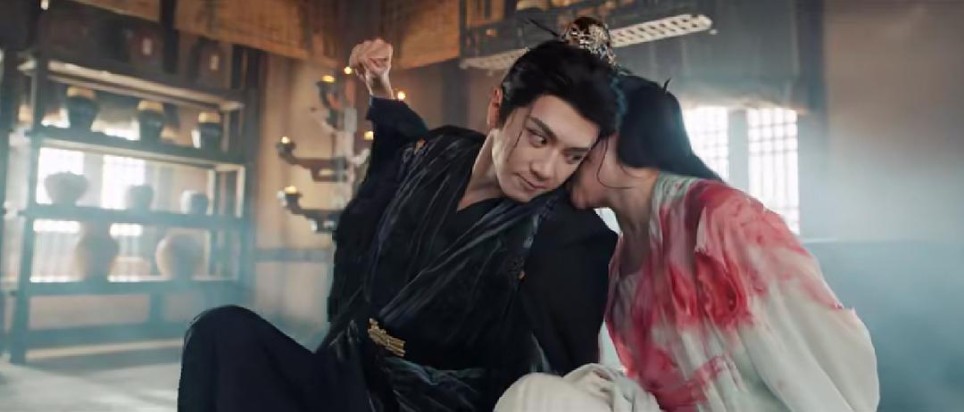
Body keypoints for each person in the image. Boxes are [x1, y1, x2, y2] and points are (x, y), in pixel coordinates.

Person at [177, 38, 623, 412]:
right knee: (221, 333)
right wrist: (380, 86)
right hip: (350, 373)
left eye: (572, 156)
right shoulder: (441, 151)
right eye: (539, 138)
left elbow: (562, 372)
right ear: (497, 108)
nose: (547, 169)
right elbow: (402, 153)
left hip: (430, 404)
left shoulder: (562, 234)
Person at [494, 75, 881, 411]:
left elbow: (827, 355)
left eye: (578, 147)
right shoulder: (621, 264)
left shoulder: (722, 218)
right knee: (536, 398)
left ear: (614, 140)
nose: (563, 164)